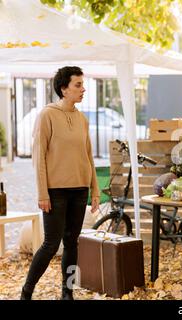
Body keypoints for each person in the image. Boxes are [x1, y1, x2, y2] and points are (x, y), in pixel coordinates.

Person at [21, 66, 100, 300]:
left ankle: (67, 292)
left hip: (79, 190)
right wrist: (42, 192)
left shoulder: (82, 119)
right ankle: (27, 291)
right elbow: (39, 156)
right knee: (51, 244)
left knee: (72, 243)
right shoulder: (47, 115)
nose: (83, 89)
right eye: (78, 85)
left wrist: (94, 190)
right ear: (63, 89)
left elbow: (89, 157)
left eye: (82, 84)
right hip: (55, 192)